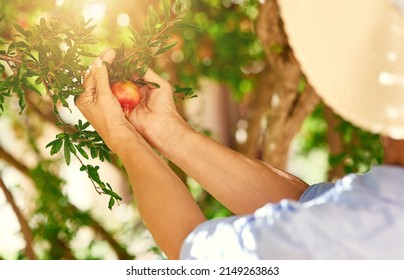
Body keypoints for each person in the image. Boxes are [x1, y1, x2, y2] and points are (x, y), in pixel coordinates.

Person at [76, 0, 404, 259]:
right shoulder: (376, 208)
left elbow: (192, 251)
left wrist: (122, 138)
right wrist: (168, 131)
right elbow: (303, 202)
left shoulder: (360, 232)